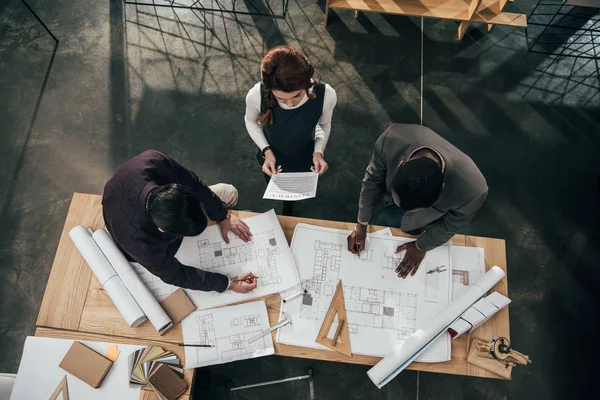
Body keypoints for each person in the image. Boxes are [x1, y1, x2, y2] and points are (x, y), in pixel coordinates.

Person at [102, 150, 257, 294]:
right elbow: (176, 275)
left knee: (229, 192)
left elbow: (194, 183)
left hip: (125, 196)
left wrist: (223, 216)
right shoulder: (142, 245)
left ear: (178, 190)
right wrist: (228, 284)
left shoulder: (154, 161)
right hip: (125, 224)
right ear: (163, 230)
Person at [347, 124, 488, 278]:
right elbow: (371, 182)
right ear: (401, 165)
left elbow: (450, 225)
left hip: (423, 221)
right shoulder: (391, 140)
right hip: (388, 197)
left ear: (440, 191)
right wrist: (361, 225)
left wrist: (421, 246)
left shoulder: (473, 191)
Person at [244, 45, 337, 215]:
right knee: (277, 185)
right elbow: (250, 122)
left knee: (295, 194)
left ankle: (290, 205)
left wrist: (318, 152)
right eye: (281, 99)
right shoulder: (255, 95)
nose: (290, 104)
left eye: (297, 96)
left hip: (304, 155)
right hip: (271, 155)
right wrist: (266, 151)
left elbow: (323, 124)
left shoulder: (327, 95)